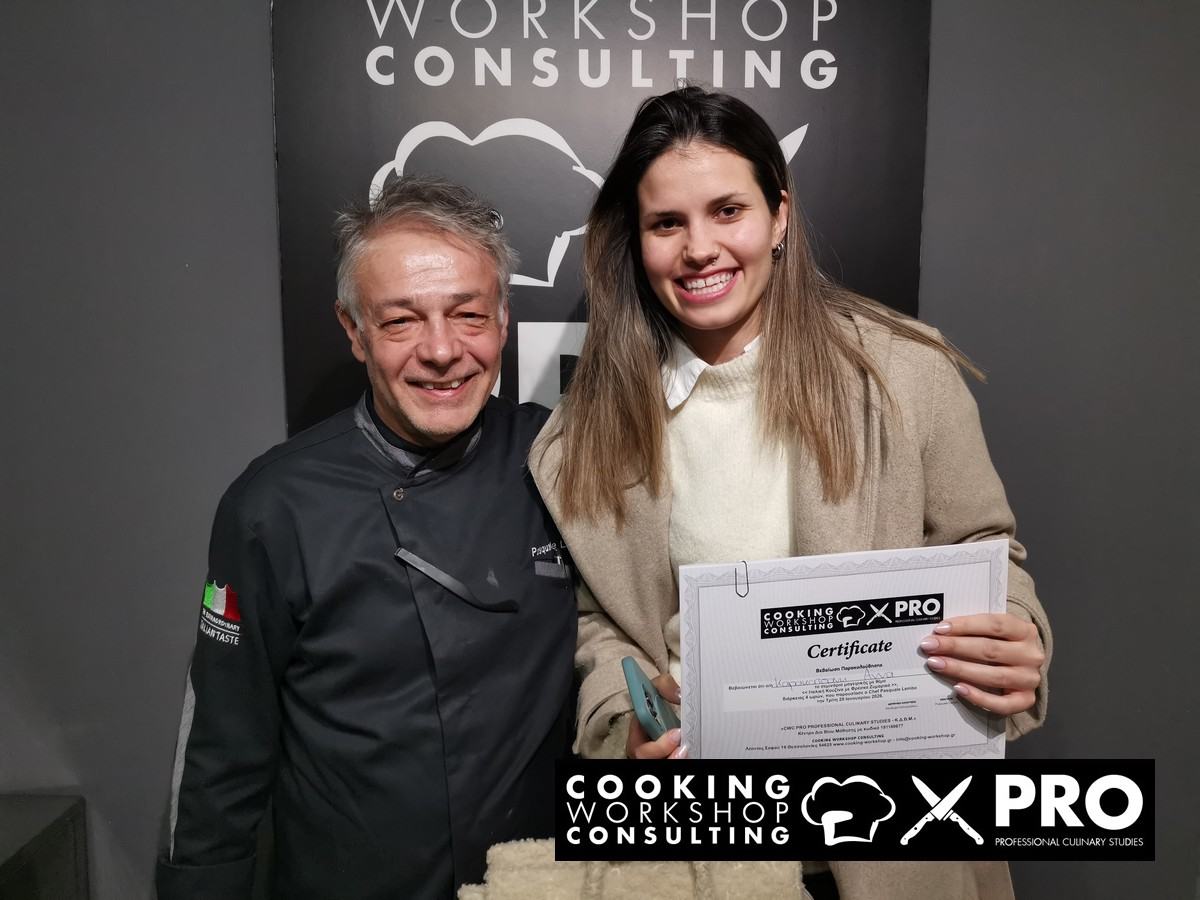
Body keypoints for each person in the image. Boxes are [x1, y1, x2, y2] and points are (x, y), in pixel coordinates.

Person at [530, 87, 1052, 900]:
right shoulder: (586, 433)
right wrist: (623, 721)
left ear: (778, 215)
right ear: (636, 240)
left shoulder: (905, 374)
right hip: (701, 851)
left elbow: (985, 553)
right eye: (667, 224)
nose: (699, 249)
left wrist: (1013, 634)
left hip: (896, 844)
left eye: (727, 211)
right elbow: (599, 623)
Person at [157, 175, 576, 900]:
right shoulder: (273, 505)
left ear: (504, 320)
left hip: (535, 884)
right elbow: (223, 748)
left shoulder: (563, 462)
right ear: (353, 331)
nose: (441, 350)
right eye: (401, 321)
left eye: (468, 315)